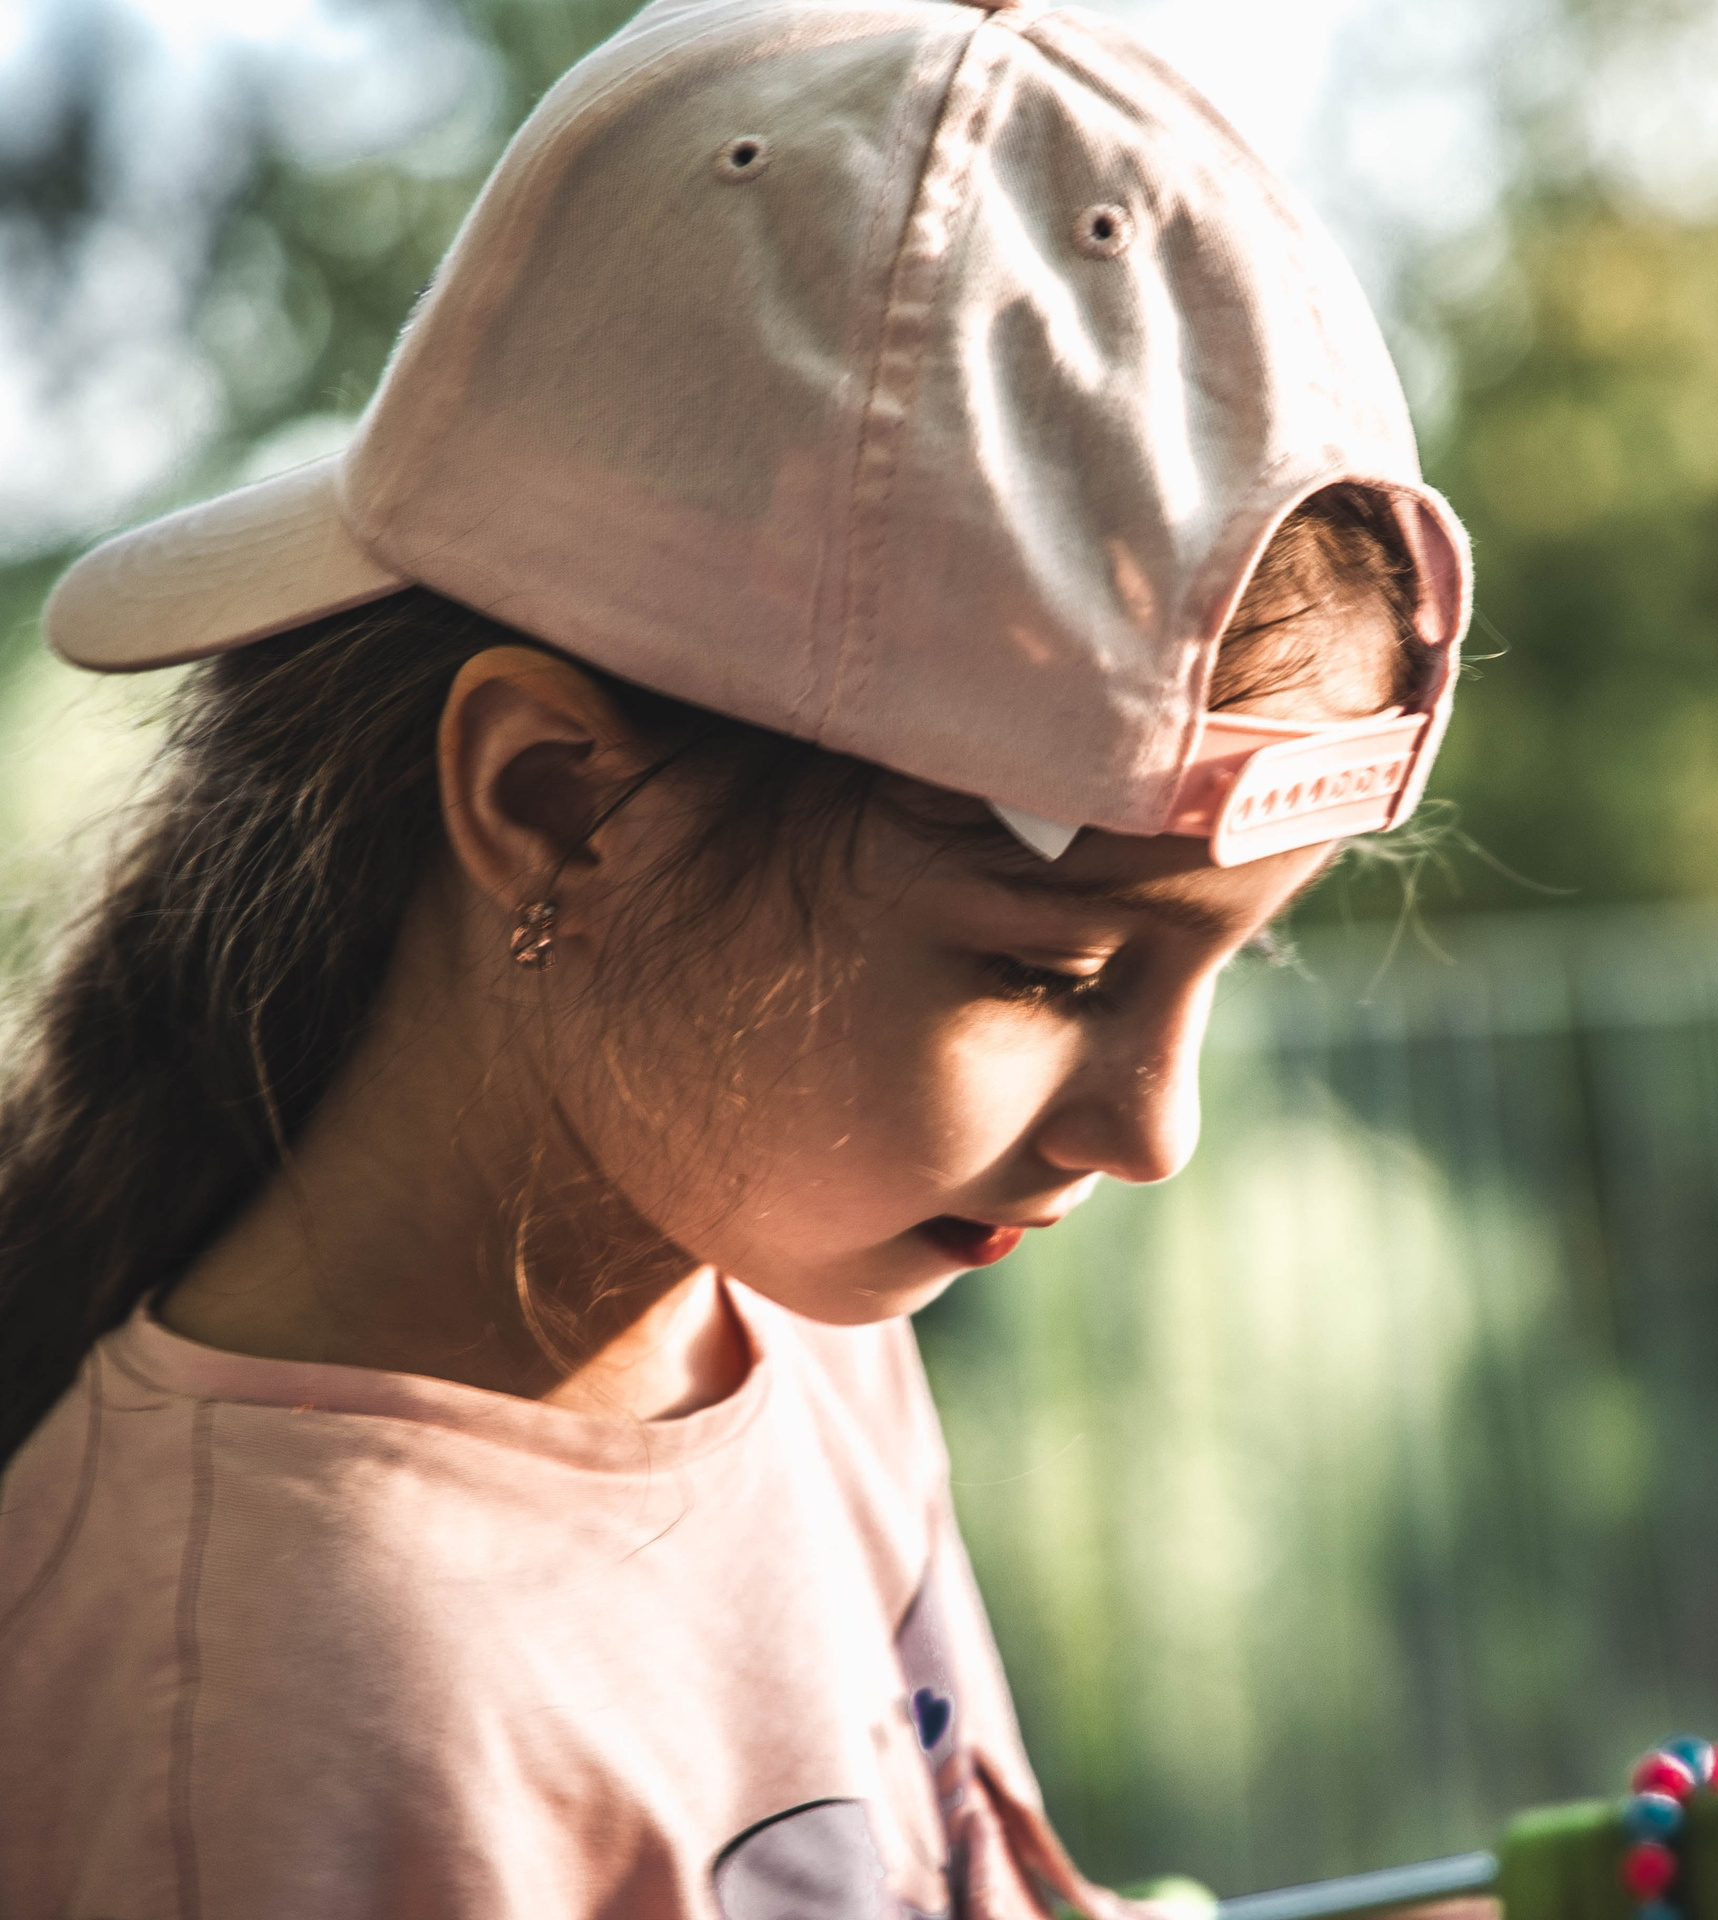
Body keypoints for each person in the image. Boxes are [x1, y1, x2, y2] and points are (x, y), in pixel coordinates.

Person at [0, 1, 1470, 1913]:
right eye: (1046, 971)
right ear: (557, 806)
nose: (1157, 1130)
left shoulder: (765, 1297)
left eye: (1227, 966)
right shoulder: (270, 1738)